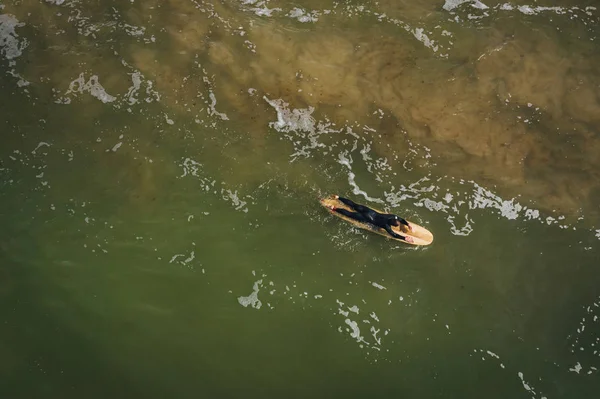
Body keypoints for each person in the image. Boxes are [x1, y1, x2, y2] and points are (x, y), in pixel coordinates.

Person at [328, 195, 414, 243]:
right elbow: (393, 234)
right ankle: (334, 208)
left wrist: (407, 224)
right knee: (350, 214)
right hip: (366, 218)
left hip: (369, 211)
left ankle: (338, 197)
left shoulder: (391, 216)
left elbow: (399, 218)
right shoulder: (386, 226)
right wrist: (404, 238)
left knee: (354, 205)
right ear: (392, 224)